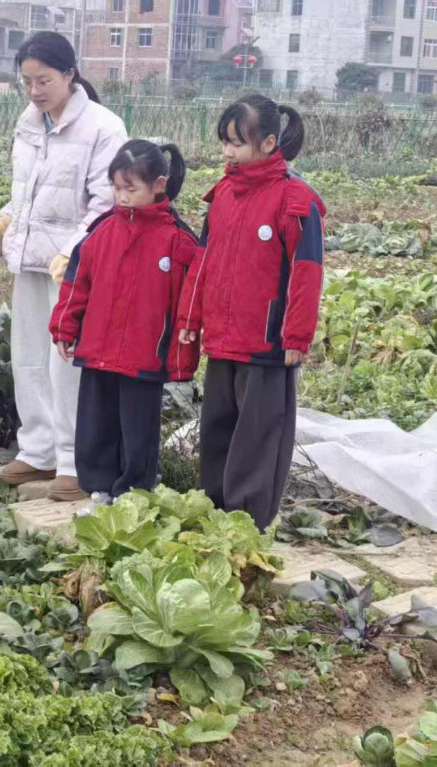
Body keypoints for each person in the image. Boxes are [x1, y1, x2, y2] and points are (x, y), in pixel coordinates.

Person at [0, 32, 127, 502]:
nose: (35, 90)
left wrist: (75, 251)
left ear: (69, 74)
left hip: (71, 267)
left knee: (65, 362)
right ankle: (38, 449)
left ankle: (72, 459)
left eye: (43, 80)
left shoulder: (103, 128)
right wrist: (6, 217)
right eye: (26, 81)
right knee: (27, 355)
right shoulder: (29, 123)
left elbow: (107, 203)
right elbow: (26, 191)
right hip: (29, 258)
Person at [177, 94, 326, 531]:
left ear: (267, 143)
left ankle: (247, 523)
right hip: (223, 336)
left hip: (267, 342)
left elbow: (307, 271)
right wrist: (190, 319)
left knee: (258, 436)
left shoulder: (294, 199)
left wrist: (296, 337)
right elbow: (203, 261)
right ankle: (215, 513)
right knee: (218, 427)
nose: (227, 151)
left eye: (236, 142)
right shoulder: (223, 193)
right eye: (224, 141)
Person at [50, 140, 200, 515]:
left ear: (159, 185)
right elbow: (76, 283)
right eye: (117, 188)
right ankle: (100, 489)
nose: (122, 197)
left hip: (144, 354)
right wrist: (64, 328)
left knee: (138, 431)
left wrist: (183, 349)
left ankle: (134, 491)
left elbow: (190, 303)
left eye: (131, 189)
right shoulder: (101, 233)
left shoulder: (179, 241)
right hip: (99, 348)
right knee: (97, 424)